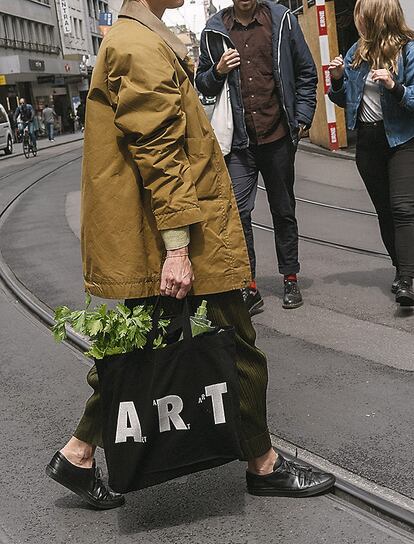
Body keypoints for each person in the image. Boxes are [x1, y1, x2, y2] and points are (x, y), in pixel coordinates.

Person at [45, 0, 334, 510]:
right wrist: (178, 249)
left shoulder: (138, 38)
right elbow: (160, 151)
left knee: (144, 346)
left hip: (167, 228)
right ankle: (263, 464)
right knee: (237, 343)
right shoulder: (138, 46)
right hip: (176, 233)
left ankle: (79, 452)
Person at [196, 0, 317, 314]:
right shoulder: (214, 29)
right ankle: (248, 285)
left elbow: (306, 72)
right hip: (239, 142)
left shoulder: (282, 20)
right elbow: (202, 83)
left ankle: (290, 277)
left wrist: (302, 117)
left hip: (277, 137)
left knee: (283, 209)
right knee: (238, 212)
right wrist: (218, 70)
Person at [329, 0, 414, 306]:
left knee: (404, 208)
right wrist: (337, 79)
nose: (358, 23)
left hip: (403, 138)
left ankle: (407, 278)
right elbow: (342, 101)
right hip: (368, 140)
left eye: (362, 17)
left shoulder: (408, 49)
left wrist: (395, 86)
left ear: (378, 18)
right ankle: (401, 267)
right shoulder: (356, 53)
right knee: (385, 211)